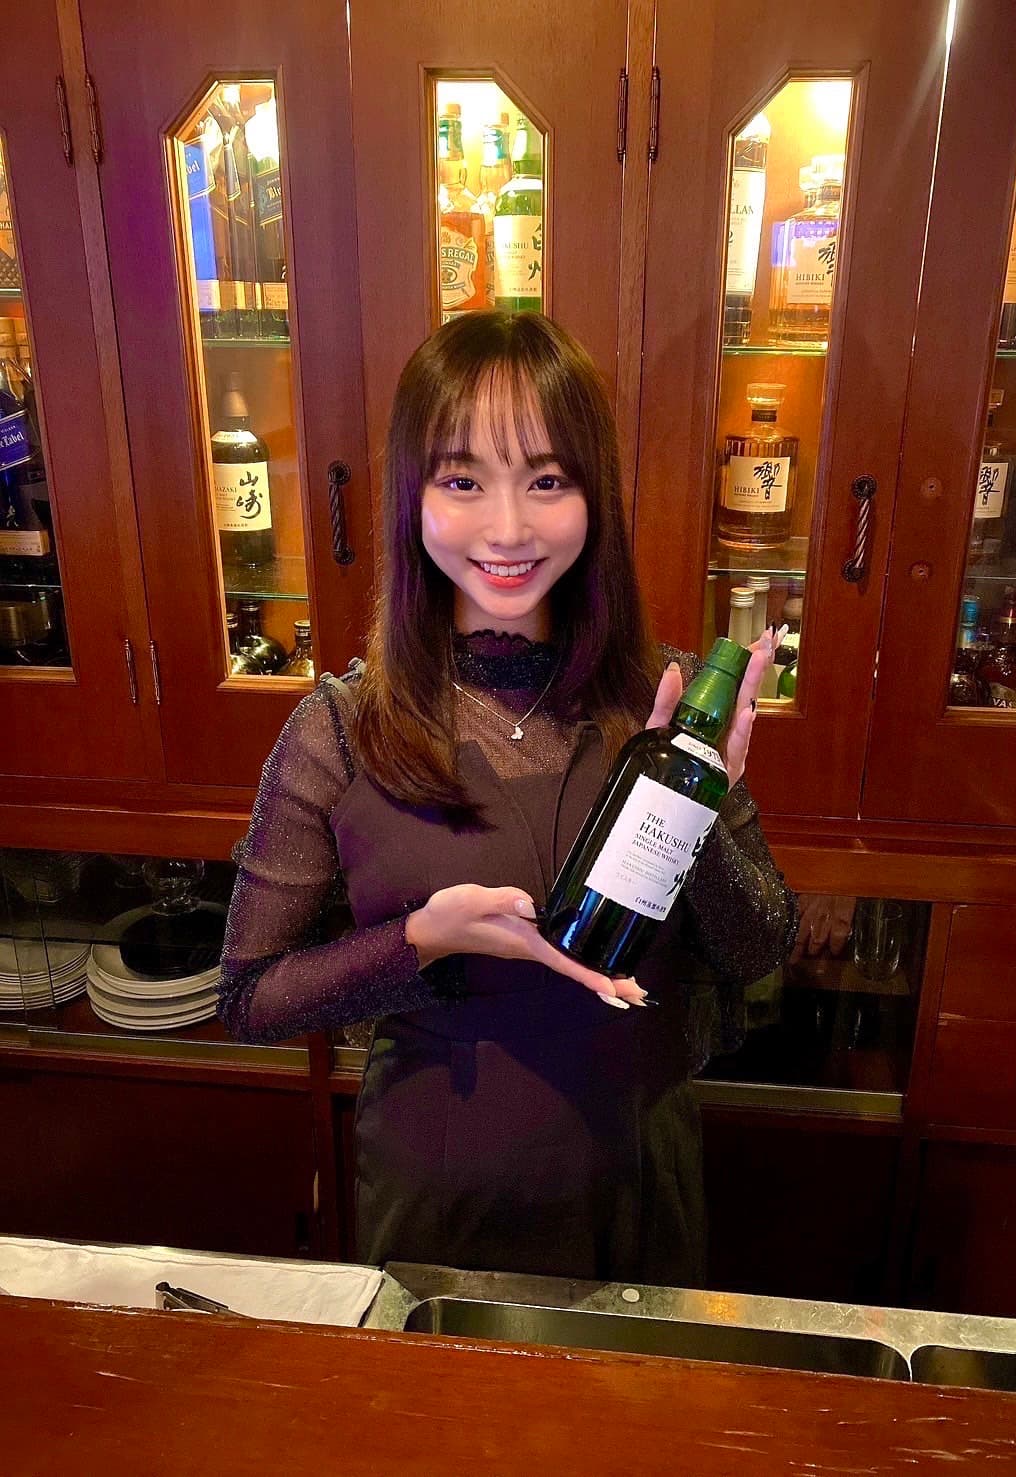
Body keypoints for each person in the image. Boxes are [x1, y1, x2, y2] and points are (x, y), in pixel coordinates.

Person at [218, 311, 797, 1285]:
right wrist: (420, 941)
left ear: (592, 496)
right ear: (413, 497)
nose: (508, 529)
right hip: (442, 1204)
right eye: (462, 481)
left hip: (640, 1186)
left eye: (546, 480)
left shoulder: (664, 701)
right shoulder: (338, 730)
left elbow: (761, 944)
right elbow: (249, 998)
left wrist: (688, 817)